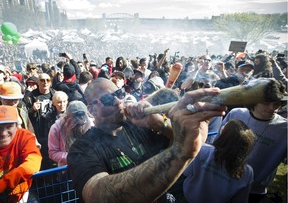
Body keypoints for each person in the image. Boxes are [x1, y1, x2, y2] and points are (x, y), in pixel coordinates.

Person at [67, 77, 226, 203]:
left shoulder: (140, 125)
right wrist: (181, 150)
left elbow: (180, 140)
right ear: (91, 109)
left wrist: (158, 124)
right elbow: (99, 196)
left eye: (119, 94)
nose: (118, 102)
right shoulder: (82, 149)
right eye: (108, 99)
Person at [221, 81, 287, 203]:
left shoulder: (285, 129)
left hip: (255, 190)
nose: (272, 108)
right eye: (266, 102)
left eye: (276, 103)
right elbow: (220, 143)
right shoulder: (236, 114)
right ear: (253, 100)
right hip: (222, 179)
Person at [183, 119, 256, 203]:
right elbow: (240, 199)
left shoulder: (203, 150)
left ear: (224, 134)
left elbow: (186, 172)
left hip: (190, 199)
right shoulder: (247, 172)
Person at [0, 105, 42, 203]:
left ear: (16, 126)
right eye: (0, 127)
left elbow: (32, 164)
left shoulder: (24, 137)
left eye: (9, 126)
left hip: (21, 196)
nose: (3, 133)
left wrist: (4, 183)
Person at [48, 101, 93, 167]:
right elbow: (53, 153)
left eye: (82, 122)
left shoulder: (92, 124)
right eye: (76, 121)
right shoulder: (56, 128)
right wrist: (73, 157)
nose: (79, 123)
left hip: (90, 165)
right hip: (68, 168)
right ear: (67, 118)